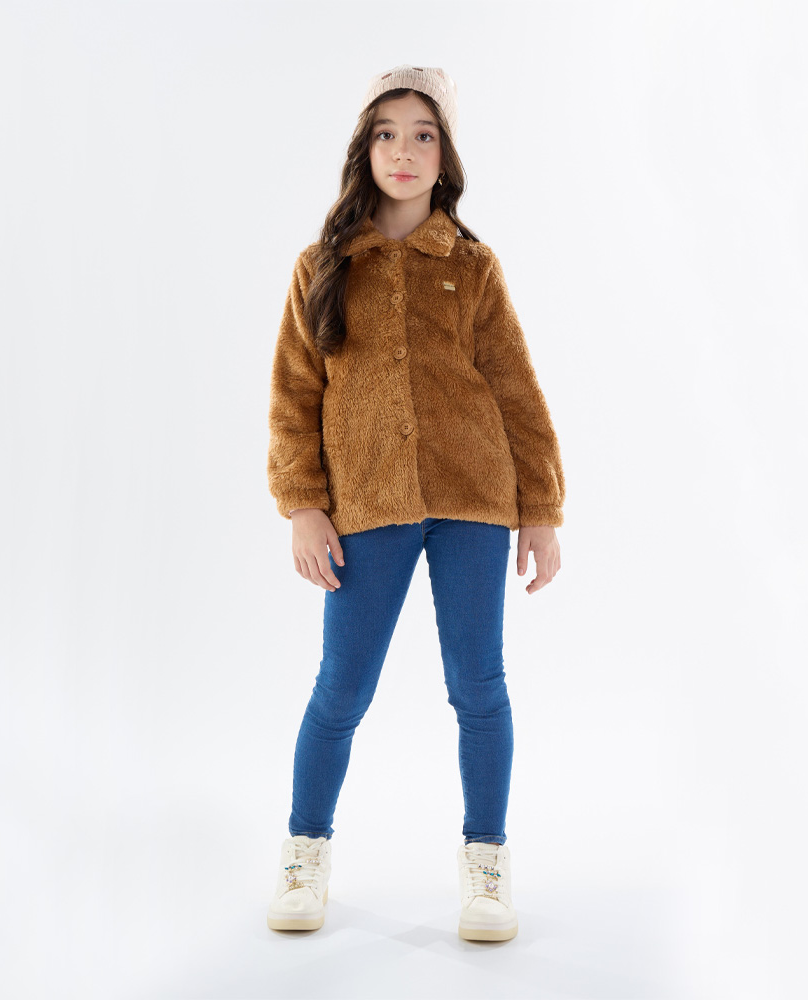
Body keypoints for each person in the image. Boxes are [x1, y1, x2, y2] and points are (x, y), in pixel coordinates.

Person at [265, 64, 565, 942]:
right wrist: (303, 504)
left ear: (446, 155)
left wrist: (541, 509)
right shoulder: (321, 268)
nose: (404, 150)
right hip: (365, 505)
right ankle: (304, 853)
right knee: (341, 690)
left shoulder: (473, 268)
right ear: (365, 149)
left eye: (424, 134)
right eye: (387, 133)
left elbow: (516, 390)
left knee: (479, 687)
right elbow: (293, 397)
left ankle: (486, 865)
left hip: (475, 499)